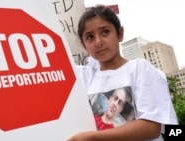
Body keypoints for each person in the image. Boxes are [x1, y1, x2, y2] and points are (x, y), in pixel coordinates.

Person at [67, 5, 178, 141]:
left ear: (120, 34)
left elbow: (151, 127)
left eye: (105, 32)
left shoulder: (141, 70)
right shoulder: (84, 76)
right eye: (90, 37)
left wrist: (91, 137)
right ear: (84, 45)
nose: (98, 42)